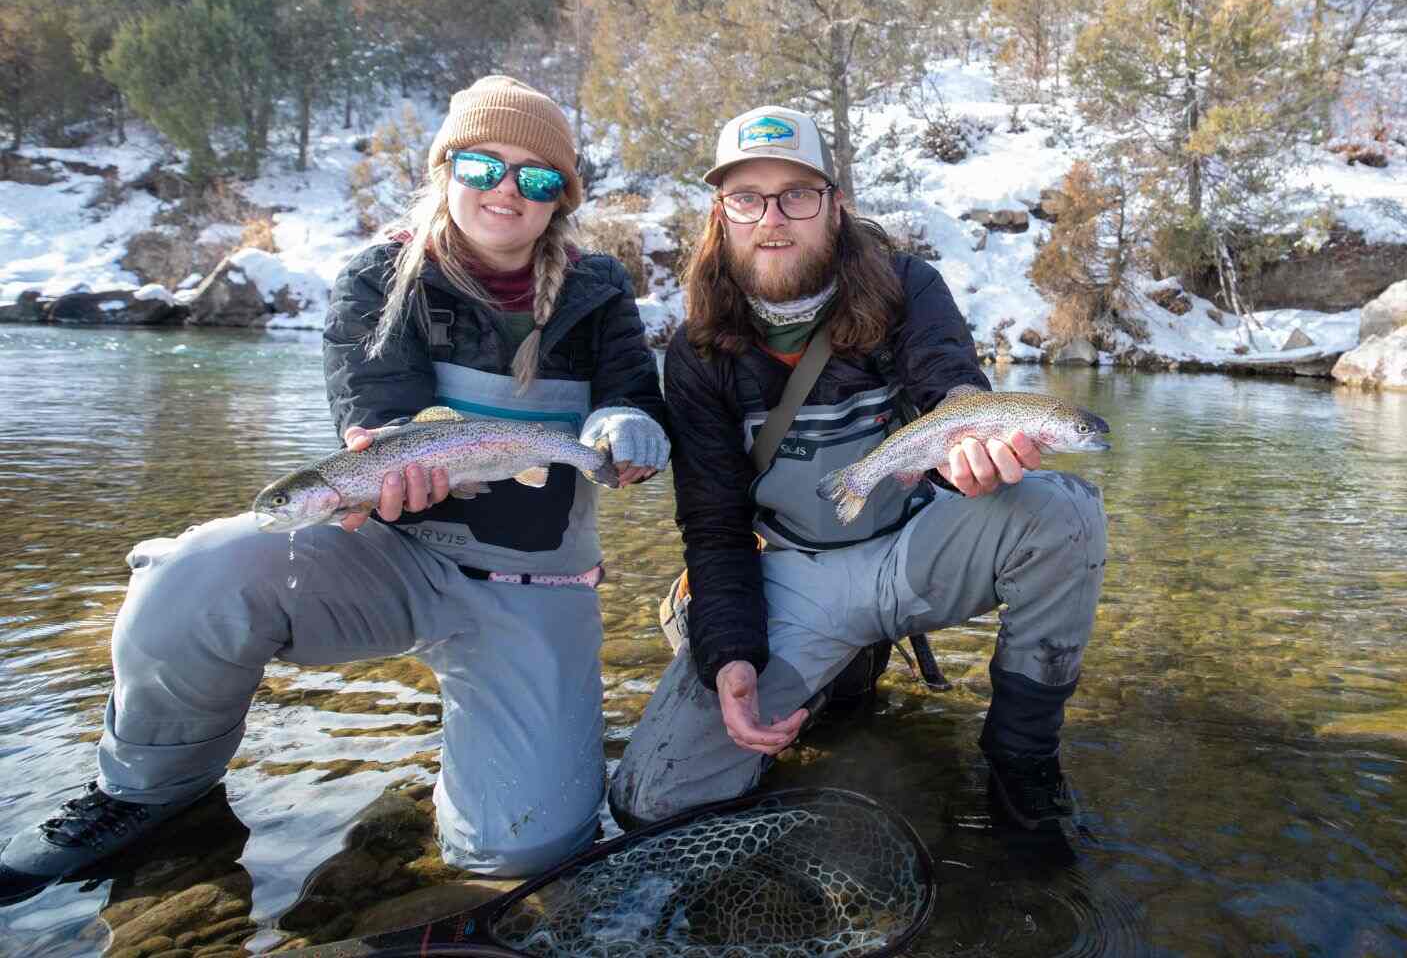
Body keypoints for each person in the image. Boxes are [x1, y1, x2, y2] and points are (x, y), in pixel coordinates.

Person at [0, 75, 672, 904]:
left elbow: (632, 394)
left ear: (559, 198)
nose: (508, 189)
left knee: (520, 856)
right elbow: (377, 414)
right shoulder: (378, 276)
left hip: (537, 582)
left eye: (536, 177)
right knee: (192, 579)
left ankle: (474, 787)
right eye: (482, 164)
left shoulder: (599, 290)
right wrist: (390, 462)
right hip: (393, 555)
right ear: (443, 169)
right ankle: (152, 795)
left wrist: (626, 429)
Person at [609, 105, 1107, 833]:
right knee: (649, 803)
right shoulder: (697, 351)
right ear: (721, 215)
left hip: (916, 550)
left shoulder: (907, 287)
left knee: (1064, 512)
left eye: (797, 195)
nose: (772, 218)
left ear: (835, 208)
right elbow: (714, 528)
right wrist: (732, 659)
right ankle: (827, 675)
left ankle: (1022, 755)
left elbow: (947, 380)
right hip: (792, 575)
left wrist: (970, 438)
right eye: (747, 198)